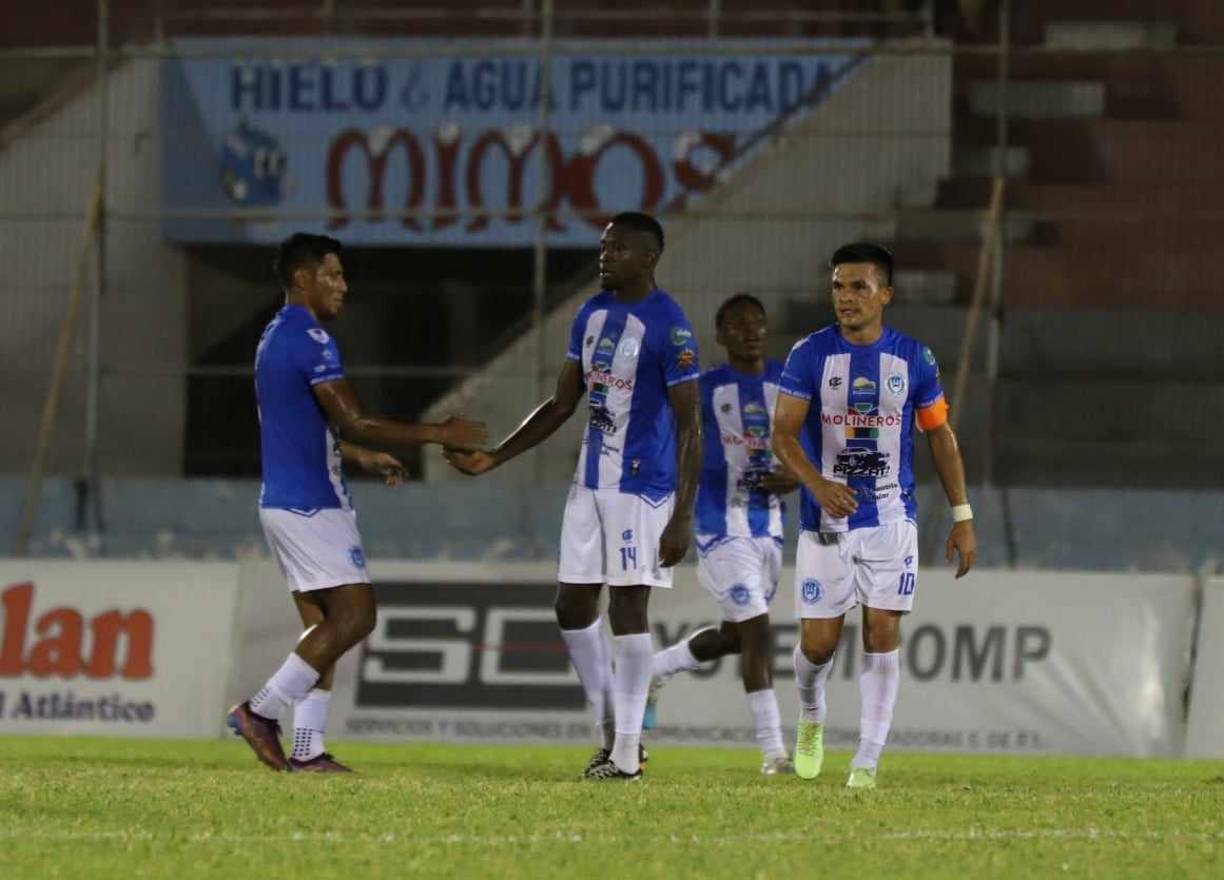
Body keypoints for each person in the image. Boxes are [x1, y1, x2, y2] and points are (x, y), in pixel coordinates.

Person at [446, 212, 702, 781]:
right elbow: (563, 403)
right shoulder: (591, 313)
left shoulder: (671, 327)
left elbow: (693, 427)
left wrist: (682, 515)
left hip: (641, 487)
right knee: (571, 607)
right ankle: (611, 726)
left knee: (629, 609)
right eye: (604, 246)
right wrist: (497, 456)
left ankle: (628, 755)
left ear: (650, 257)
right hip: (589, 483)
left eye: (619, 249)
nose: (605, 256)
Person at [228, 232, 487, 772]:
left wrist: (362, 457)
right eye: (334, 275)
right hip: (309, 504)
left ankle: (308, 751)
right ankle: (260, 712)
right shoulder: (312, 338)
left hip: (286, 499)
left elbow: (304, 427)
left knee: (322, 629)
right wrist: (441, 432)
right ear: (303, 279)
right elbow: (353, 417)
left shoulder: (275, 334)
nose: (343, 286)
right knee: (356, 615)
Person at [771, 242, 977, 789]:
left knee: (882, 629)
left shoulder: (915, 358)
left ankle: (866, 759)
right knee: (818, 644)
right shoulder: (809, 355)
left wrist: (963, 514)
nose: (846, 297)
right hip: (824, 521)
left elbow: (940, 434)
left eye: (859, 287)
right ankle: (811, 715)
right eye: (838, 286)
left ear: (885, 294)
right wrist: (818, 483)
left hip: (891, 514)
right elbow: (783, 434)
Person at [643, 293, 798, 774]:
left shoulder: (788, 386)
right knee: (757, 632)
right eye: (737, 324)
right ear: (721, 335)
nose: (749, 330)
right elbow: (681, 447)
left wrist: (796, 477)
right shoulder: (707, 389)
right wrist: (679, 515)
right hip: (717, 524)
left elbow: (807, 448)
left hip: (768, 525)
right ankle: (774, 753)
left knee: (737, 635)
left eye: (757, 322)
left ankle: (653, 670)